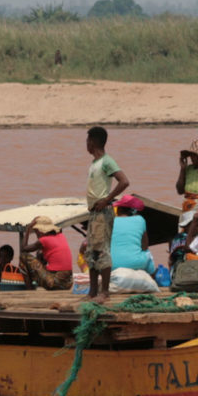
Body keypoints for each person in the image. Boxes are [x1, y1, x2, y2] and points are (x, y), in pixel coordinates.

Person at [83, 125, 130, 300]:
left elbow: (124, 181)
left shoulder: (107, 161)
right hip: (94, 213)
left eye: (87, 141)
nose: (86, 144)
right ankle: (93, 291)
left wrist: (107, 199)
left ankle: (105, 292)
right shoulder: (94, 163)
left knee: (102, 251)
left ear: (93, 142)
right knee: (92, 251)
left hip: (103, 212)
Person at [19, 217, 73, 291]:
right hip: (68, 284)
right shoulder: (61, 236)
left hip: (54, 283)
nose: (36, 234)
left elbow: (23, 249)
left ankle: (29, 290)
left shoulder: (44, 240)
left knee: (23, 256)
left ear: (41, 231)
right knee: (41, 254)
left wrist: (28, 229)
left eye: (36, 231)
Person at [109, 194, 156, 276]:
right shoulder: (140, 220)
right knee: (147, 253)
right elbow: (145, 246)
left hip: (110, 265)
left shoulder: (110, 221)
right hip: (136, 264)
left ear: (119, 209)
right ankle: (152, 278)